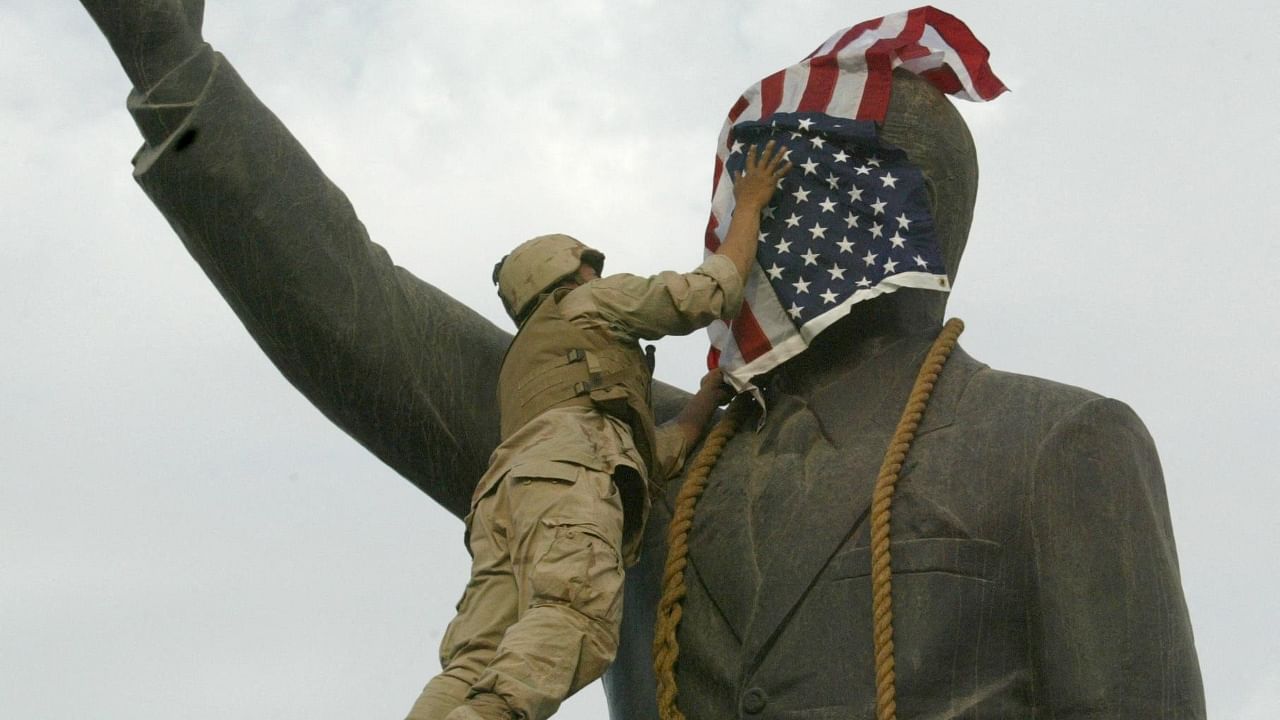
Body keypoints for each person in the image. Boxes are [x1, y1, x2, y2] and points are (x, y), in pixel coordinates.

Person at [74, 3, 1203, 718]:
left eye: (777, 191)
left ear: (888, 219)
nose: (734, 229)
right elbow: (362, 317)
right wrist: (172, 61)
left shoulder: (1056, 444)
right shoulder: (625, 451)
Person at [410, 143, 791, 720]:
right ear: (568, 271)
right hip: (570, 477)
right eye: (591, 265)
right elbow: (712, 292)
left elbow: (645, 454)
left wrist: (709, 397)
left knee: (472, 659)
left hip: (504, 499)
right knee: (574, 615)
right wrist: (751, 205)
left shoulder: (528, 363)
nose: (599, 273)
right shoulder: (585, 302)